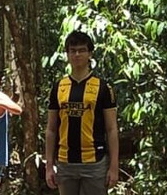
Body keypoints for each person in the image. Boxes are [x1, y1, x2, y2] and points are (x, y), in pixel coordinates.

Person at [44, 30, 119, 195]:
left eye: (82, 50)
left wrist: (114, 167)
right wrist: (49, 165)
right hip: (65, 162)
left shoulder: (103, 87)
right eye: (73, 50)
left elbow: (112, 128)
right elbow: (51, 129)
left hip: (94, 162)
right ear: (67, 54)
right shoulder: (58, 87)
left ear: (90, 53)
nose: (77, 54)